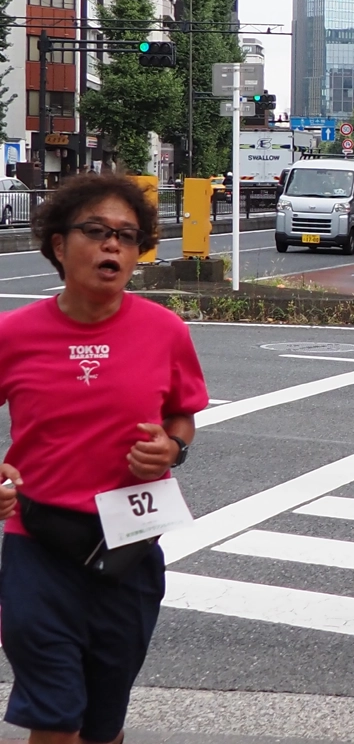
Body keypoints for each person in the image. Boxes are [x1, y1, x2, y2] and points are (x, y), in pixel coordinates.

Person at [0, 174, 208, 744]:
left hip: (129, 546)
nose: (112, 244)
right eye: (95, 231)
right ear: (59, 244)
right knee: (55, 713)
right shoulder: (14, 334)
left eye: (127, 235)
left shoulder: (165, 331)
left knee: (103, 723)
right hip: (37, 541)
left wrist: (172, 447)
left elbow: (182, 416)